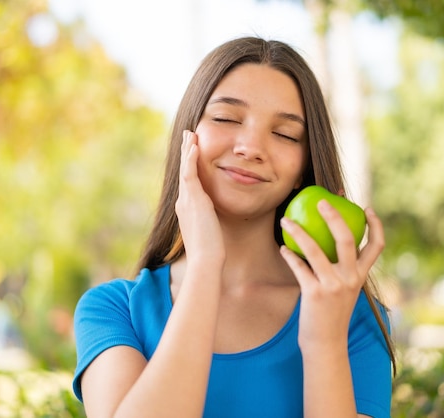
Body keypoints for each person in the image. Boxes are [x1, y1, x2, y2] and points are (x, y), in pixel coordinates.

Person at [72, 36, 396, 418]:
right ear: (188, 136)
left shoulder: (351, 316)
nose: (251, 146)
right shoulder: (113, 310)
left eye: (285, 134)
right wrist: (206, 264)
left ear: (302, 170)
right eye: (226, 118)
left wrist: (324, 342)